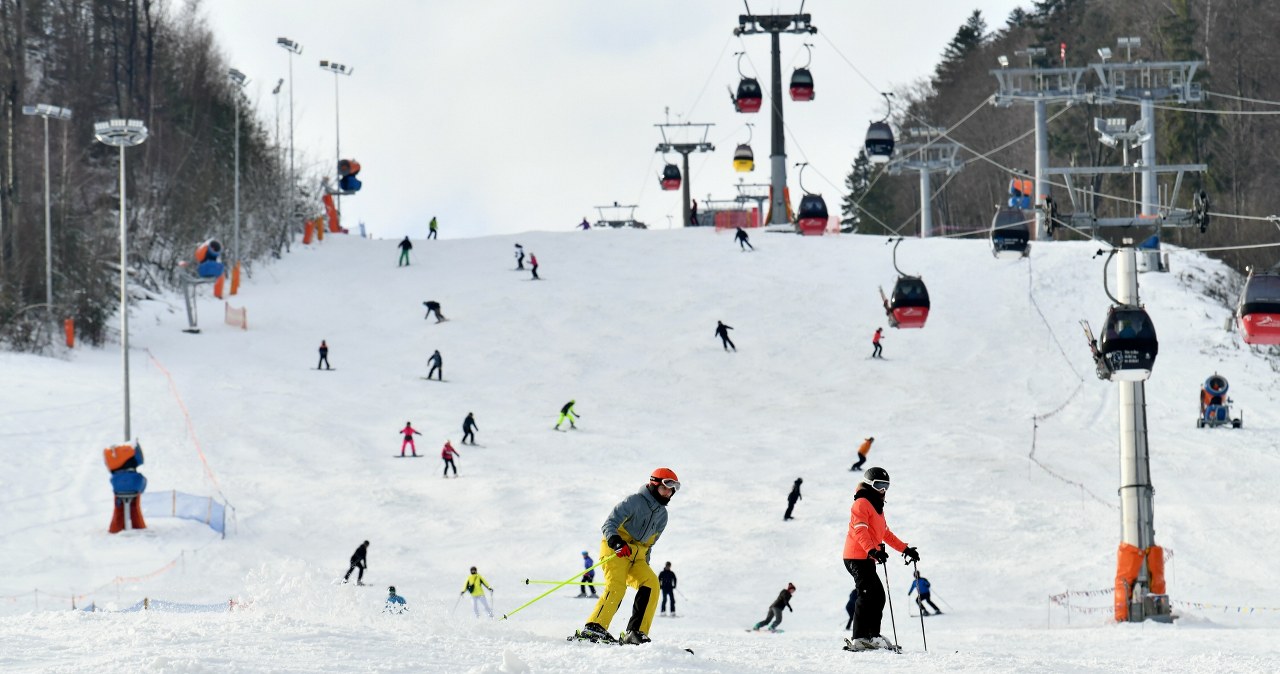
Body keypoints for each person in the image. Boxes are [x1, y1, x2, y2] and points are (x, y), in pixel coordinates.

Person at [578, 468, 680, 645]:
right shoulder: (634, 501)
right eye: (666, 486)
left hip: (637, 558)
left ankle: (636, 633)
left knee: (651, 583)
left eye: (673, 488)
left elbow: (650, 545)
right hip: (616, 550)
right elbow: (609, 523)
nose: (669, 492)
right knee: (617, 586)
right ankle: (594, 627)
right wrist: (617, 542)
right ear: (654, 484)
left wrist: (645, 565)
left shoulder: (663, 516)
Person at [842, 467, 919, 652]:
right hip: (856, 556)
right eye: (879, 485)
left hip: (867, 557)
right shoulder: (861, 503)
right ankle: (860, 638)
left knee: (878, 596)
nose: (883, 489)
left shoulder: (877, 506)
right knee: (867, 594)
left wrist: (906, 549)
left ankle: (872, 636)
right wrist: (872, 550)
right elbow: (860, 530)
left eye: (886, 486)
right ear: (870, 484)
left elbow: (885, 533)